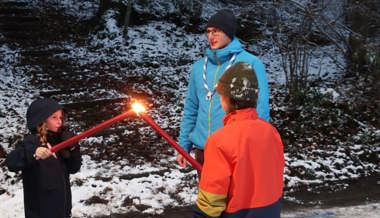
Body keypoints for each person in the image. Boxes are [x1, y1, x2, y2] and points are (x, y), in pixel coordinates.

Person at [177, 9, 270, 168]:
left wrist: (254, 149)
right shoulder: (198, 67)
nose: (211, 36)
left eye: (217, 31)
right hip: (203, 150)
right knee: (207, 194)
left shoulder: (251, 63)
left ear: (229, 32)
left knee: (235, 194)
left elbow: (260, 110)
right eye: (209, 31)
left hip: (234, 151)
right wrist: (183, 146)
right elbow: (191, 108)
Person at [193, 62, 284, 218]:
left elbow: (211, 200)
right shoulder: (271, 132)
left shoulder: (219, 141)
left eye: (221, 96)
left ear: (227, 99)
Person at [6, 98, 82, 218]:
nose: (59, 122)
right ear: (41, 120)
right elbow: (11, 162)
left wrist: (73, 148)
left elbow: (73, 168)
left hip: (63, 212)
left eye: (61, 117)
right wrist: (34, 153)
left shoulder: (58, 141)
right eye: (54, 117)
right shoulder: (30, 142)